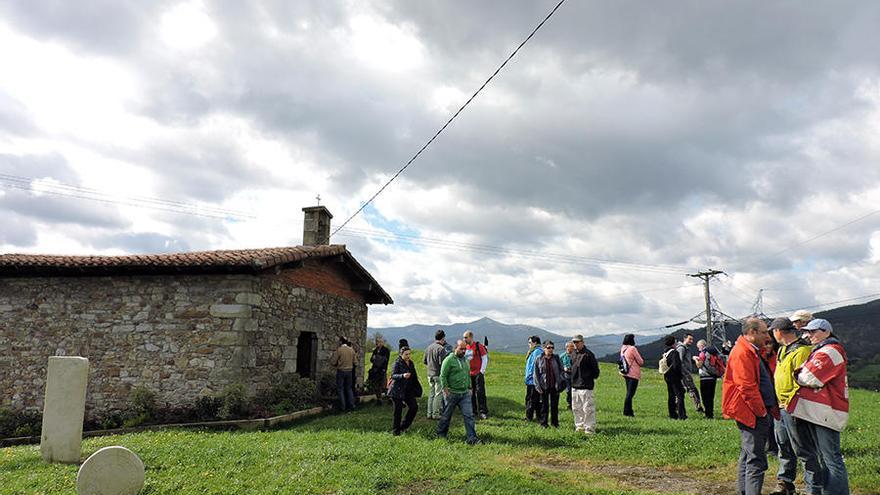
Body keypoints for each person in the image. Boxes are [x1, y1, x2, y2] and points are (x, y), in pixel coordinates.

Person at [789, 319, 850, 495]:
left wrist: (800, 373)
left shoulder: (829, 351)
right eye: (807, 332)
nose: (808, 335)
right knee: (826, 458)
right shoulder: (821, 350)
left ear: (826, 332)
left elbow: (808, 377)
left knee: (831, 459)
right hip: (819, 411)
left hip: (826, 411)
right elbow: (805, 373)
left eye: (813, 332)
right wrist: (802, 372)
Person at [722, 318, 778, 495]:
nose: (767, 337)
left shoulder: (750, 350)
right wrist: (761, 412)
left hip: (753, 412)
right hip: (751, 413)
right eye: (764, 333)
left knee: (747, 456)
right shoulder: (742, 353)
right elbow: (746, 386)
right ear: (752, 333)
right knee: (756, 461)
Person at [768, 317, 819, 495]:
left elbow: (802, 381)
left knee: (803, 449)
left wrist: (791, 402)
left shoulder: (802, 351)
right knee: (783, 446)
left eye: (772, 331)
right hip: (780, 406)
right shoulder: (782, 350)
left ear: (778, 332)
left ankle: (813, 487)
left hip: (794, 406)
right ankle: (785, 482)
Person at [436, 339, 480, 445]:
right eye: (461, 349)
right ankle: (440, 434)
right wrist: (446, 390)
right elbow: (443, 376)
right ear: (456, 348)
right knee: (446, 416)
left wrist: (469, 388)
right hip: (452, 393)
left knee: (469, 416)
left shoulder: (465, 360)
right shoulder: (448, 360)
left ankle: (471, 438)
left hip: (464, 394)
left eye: (465, 349)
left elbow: (467, 374)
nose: (464, 351)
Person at [570, 334, 600, 434]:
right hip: (575, 386)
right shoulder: (573, 353)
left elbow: (596, 371)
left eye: (577, 342)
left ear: (582, 342)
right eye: (574, 342)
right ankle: (579, 427)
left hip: (586, 386)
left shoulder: (588, 354)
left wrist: (588, 378)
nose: (575, 344)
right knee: (576, 408)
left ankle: (589, 429)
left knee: (588, 409)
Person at [387, 346, 422, 435]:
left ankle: (404, 426)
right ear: (401, 354)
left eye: (409, 354)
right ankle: (396, 431)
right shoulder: (397, 363)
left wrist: (417, 382)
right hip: (397, 389)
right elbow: (393, 375)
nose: (408, 356)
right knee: (398, 411)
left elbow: (414, 375)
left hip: (408, 389)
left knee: (414, 407)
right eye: (406, 354)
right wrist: (402, 375)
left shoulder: (411, 363)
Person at [533, 340, 565, 428]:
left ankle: (555, 424)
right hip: (544, 386)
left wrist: (561, 379)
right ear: (544, 348)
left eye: (552, 347)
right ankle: (544, 423)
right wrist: (538, 386)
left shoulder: (556, 358)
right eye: (548, 347)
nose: (551, 349)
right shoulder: (538, 359)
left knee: (554, 406)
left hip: (555, 386)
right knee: (544, 406)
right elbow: (536, 374)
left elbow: (562, 370)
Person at [694, 339, 724, 419]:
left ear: (701, 345)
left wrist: (695, 359)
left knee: (705, 397)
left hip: (705, 377)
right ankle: (711, 413)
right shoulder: (713, 353)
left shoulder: (703, 353)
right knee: (711, 397)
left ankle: (708, 415)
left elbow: (699, 365)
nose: (698, 349)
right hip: (713, 377)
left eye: (698, 347)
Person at [463, 330, 489, 419]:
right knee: (471, 393)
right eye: (464, 337)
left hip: (478, 373)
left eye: (466, 337)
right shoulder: (465, 347)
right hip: (469, 374)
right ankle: (473, 411)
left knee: (480, 392)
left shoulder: (478, 346)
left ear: (471, 337)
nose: (464, 339)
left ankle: (483, 411)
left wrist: (482, 371)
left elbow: (484, 358)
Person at [424, 330, 448, 419]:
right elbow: (443, 364)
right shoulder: (441, 349)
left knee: (431, 394)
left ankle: (429, 413)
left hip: (429, 374)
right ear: (443, 338)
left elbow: (424, 361)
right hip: (438, 374)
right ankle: (436, 414)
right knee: (438, 394)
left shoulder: (428, 348)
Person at [677, 333, 704, 414]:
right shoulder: (681, 348)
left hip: (684, 373)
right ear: (685, 339)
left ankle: (677, 408)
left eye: (692, 339)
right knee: (692, 390)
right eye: (690, 339)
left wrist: (693, 359)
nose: (691, 341)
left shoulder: (686, 348)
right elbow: (680, 361)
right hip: (684, 374)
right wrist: (685, 372)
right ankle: (698, 408)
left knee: (681, 391)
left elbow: (685, 360)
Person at [662, 335, 687, 420]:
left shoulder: (665, 353)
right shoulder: (674, 353)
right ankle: (682, 414)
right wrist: (680, 376)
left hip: (667, 376)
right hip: (674, 377)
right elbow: (677, 366)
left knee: (671, 395)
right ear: (673, 343)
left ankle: (672, 414)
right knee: (680, 395)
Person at [330, 336, 357, 412]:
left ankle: (343, 406)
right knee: (349, 388)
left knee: (340, 389)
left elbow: (333, 362)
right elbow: (355, 362)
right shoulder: (351, 350)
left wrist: (337, 364)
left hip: (341, 371)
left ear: (341, 342)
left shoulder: (339, 350)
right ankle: (352, 405)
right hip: (350, 371)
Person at [620, 334, 644, 417]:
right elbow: (641, 362)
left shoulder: (623, 348)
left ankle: (629, 411)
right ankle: (627, 412)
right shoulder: (632, 349)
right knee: (630, 394)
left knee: (629, 393)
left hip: (626, 373)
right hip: (633, 374)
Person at [524, 335, 543, 422]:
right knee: (533, 398)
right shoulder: (534, 351)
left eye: (530, 343)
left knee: (531, 399)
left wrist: (530, 377)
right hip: (531, 380)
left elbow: (535, 366)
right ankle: (536, 416)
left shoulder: (537, 352)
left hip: (533, 381)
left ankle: (529, 417)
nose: (529, 344)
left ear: (535, 343)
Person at [367, 335, 391, 403]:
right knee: (376, 385)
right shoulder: (375, 350)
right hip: (375, 370)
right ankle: (379, 399)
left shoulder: (386, 350)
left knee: (384, 385)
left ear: (382, 343)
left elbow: (385, 360)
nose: (378, 343)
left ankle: (389, 398)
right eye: (377, 342)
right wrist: (375, 358)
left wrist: (377, 358)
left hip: (382, 369)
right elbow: (371, 360)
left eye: (379, 342)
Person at [560, 341, 575, 409]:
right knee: (569, 390)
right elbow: (558, 365)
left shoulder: (576, 355)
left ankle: (575, 404)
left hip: (575, 375)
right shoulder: (562, 356)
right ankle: (570, 404)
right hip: (566, 375)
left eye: (573, 346)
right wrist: (564, 368)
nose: (572, 348)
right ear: (566, 347)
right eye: (570, 346)